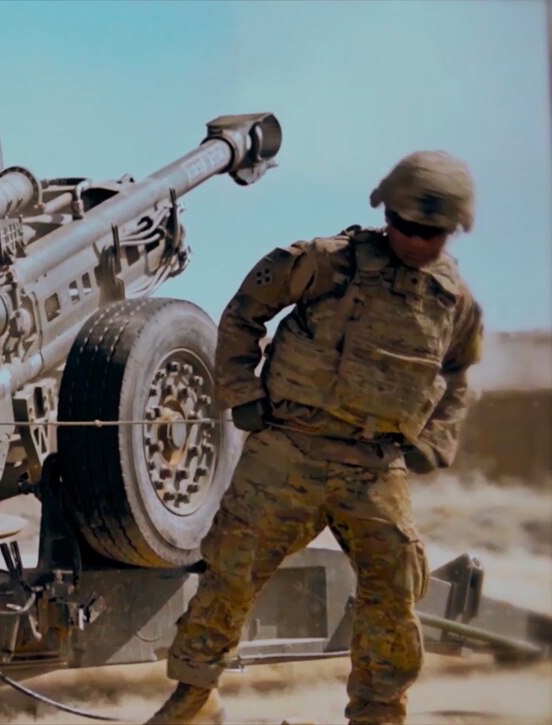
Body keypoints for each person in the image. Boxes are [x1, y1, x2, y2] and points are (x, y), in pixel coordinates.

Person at [148, 150, 484, 725]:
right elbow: (243, 314)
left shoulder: (453, 301)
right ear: (386, 214)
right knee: (232, 569)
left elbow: (457, 374)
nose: (415, 239)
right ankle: (195, 695)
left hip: (375, 467)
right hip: (290, 451)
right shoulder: (326, 261)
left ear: (451, 232)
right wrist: (241, 393)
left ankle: (379, 711)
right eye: (405, 225)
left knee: (396, 587)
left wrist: (437, 439)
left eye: (431, 232)